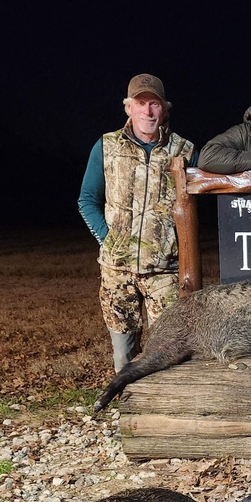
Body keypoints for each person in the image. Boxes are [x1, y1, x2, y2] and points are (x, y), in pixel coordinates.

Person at [78, 73, 195, 373]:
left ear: (164, 109)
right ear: (128, 107)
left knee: (167, 353)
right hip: (117, 273)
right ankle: (126, 401)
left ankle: (161, 402)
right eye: (141, 103)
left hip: (164, 273)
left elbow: (196, 206)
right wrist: (110, 241)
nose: (148, 111)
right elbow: (87, 200)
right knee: (124, 356)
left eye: (154, 104)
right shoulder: (106, 146)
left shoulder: (184, 150)